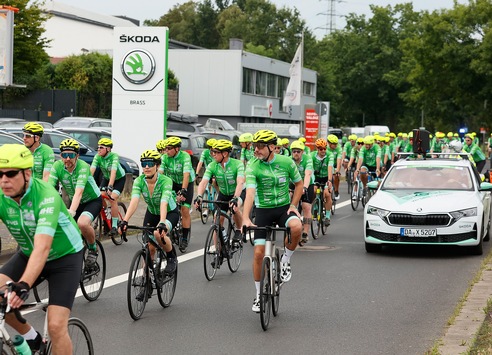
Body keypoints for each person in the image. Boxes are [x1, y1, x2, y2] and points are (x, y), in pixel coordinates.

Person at [0, 144, 84, 354]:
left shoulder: (46, 196)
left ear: (27, 173)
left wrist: (24, 284)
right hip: (29, 254)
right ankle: (32, 338)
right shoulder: (2, 195)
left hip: (65, 258)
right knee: (2, 300)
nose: (4, 181)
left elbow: (43, 247)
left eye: (10, 174)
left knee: (56, 326)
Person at [241, 130, 303, 313]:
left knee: (296, 226)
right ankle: (259, 295)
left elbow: (299, 184)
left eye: (260, 147)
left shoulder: (286, 162)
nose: (256, 150)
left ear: (272, 147)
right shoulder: (252, 166)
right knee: (259, 253)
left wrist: (294, 205)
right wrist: (245, 218)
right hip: (263, 211)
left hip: (283, 209)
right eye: (254, 146)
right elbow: (250, 193)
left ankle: (285, 260)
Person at [119, 150, 178, 278]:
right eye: (143, 164)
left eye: (150, 163)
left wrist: (162, 222)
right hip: (151, 213)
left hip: (169, 212)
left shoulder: (166, 181)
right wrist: (125, 220)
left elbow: (164, 202)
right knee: (149, 248)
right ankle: (146, 281)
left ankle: (171, 257)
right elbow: (134, 202)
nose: (146, 167)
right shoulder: (139, 181)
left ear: (157, 166)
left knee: (158, 233)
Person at [49, 138, 102, 266]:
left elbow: (79, 192)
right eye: (64, 155)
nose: (67, 159)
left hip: (92, 201)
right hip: (75, 202)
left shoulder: (83, 167)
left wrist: (72, 211)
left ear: (77, 156)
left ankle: (93, 249)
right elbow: (49, 188)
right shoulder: (57, 166)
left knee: (82, 223)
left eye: (71, 155)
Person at [194, 139, 245, 266]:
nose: (213, 155)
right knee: (217, 218)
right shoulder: (212, 165)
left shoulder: (237, 164)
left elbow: (240, 182)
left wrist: (235, 198)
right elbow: (204, 182)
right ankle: (219, 250)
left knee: (235, 207)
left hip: (238, 192)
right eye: (212, 152)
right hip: (223, 193)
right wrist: (199, 196)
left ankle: (239, 230)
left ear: (225, 154)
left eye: (216, 152)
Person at [159, 136, 195, 252]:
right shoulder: (165, 157)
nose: (167, 151)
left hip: (186, 183)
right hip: (173, 182)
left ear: (177, 149)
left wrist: (184, 189)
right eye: (166, 148)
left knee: (184, 209)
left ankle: (184, 238)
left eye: (169, 148)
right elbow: (160, 172)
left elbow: (186, 174)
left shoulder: (185, 157)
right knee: (168, 204)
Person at [90, 138, 126, 235]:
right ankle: (107, 213)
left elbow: (113, 172)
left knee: (112, 198)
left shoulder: (114, 156)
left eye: (101, 147)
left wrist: (110, 186)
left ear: (108, 149)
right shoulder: (97, 157)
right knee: (99, 195)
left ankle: (114, 225)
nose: (98, 149)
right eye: (98, 147)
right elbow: (91, 171)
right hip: (106, 177)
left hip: (118, 179)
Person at [290, 140, 314, 245]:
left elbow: (308, 174)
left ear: (302, 152)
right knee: (288, 198)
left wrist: (304, 187)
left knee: (306, 207)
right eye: (294, 151)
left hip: (306, 183)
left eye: (298, 151)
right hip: (293, 183)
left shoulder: (307, 159)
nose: (296, 153)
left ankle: (305, 232)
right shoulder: (289, 160)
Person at [310, 138, 334, 226]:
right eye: (321, 149)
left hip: (327, 177)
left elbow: (330, 167)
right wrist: (311, 181)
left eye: (325, 148)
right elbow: (310, 169)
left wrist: (330, 180)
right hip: (316, 177)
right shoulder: (312, 155)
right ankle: (316, 207)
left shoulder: (330, 155)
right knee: (313, 190)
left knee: (327, 194)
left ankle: (327, 217)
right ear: (317, 149)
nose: (323, 150)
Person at [327, 134, 342, 200]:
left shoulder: (338, 148)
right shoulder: (326, 148)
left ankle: (336, 190)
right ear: (329, 143)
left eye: (336, 143)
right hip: (327, 164)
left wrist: (338, 170)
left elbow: (339, 160)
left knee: (336, 176)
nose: (335, 145)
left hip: (335, 164)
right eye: (334, 144)